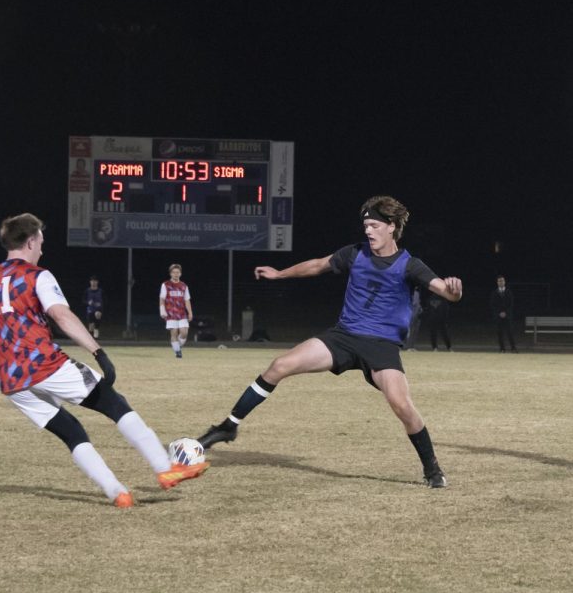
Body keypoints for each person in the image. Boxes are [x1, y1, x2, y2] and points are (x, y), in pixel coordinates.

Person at [194, 195, 463, 488]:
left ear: (392, 226)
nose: (368, 231)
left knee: (401, 404)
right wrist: (279, 273)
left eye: (374, 225)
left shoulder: (410, 265)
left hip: (381, 346)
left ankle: (432, 469)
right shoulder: (354, 253)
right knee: (280, 365)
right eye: (366, 226)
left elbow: (446, 291)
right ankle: (228, 426)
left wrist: (454, 290)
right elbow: (317, 265)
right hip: (343, 337)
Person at [0, 213, 208, 508]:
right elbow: (61, 315)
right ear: (31, 240)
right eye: (41, 243)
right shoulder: (37, 276)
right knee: (114, 403)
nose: (43, 250)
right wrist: (98, 352)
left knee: (70, 431)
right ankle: (166, 468)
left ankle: (118, 493)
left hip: (10, 379)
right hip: (44, 364)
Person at [159, 264, 193, 358]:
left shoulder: (184, 286)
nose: (176, 274)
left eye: (177, 272)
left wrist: (190, 312)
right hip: (170, 313)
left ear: (180, 273)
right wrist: (162, 310)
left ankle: (178, 346)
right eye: (174, 272)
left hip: (182, 313)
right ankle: (177, 352)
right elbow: (162, 298)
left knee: (184, 333)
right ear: (170, 273)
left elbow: (187, 300)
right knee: (174, 333)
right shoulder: (165, 285)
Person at [490, 275, 518, 352]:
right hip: (498, 316)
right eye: (499, 281)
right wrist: (499, 313)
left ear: (504, 282)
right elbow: (493, 305)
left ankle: (513, 348)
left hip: (507, 316)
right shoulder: (494, 293)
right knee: (499, 332)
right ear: (497, 282)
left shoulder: (509, 292)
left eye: (502, 281)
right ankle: (502, 348)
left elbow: (511, 304)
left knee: (510, 332)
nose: (501, 282)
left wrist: (506, 312)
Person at [83, 275, 104, 340]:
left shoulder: (101, 291)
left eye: (95, 281)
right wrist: (88, 302)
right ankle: (91, 337)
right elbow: (83, 300)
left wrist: (100, 304)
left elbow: (105, 300)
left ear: (97, 282)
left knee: (97, 317)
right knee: (91, 324)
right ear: (90, 282)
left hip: (98, 309)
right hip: (90, 309)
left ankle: (96, 336)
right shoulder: (87, 291)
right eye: (92, 281)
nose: (93, 282)